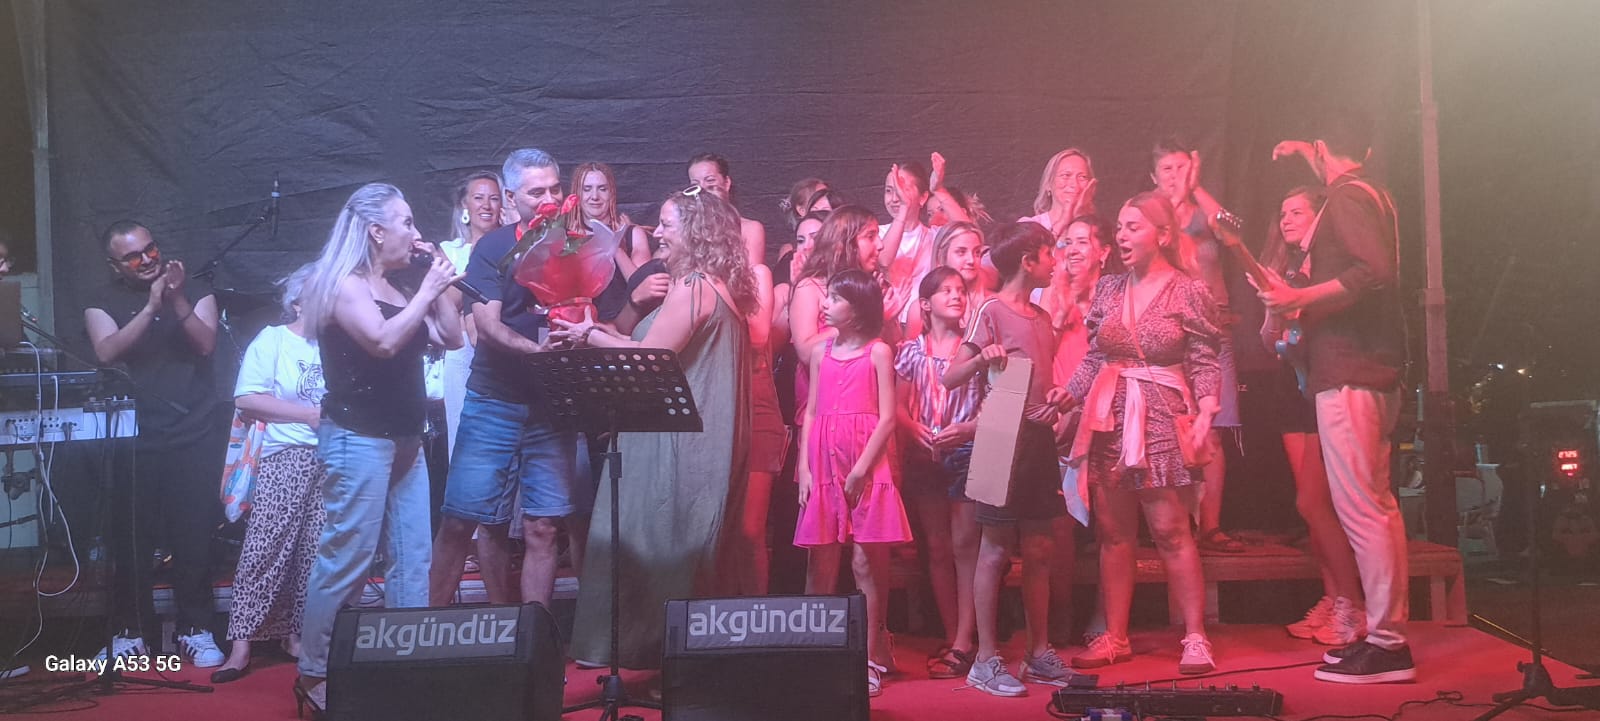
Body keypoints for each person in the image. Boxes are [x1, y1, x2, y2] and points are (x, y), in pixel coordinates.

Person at [554, 187, 756, 670]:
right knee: (679, 546)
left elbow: (651, 357)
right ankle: (674, 657)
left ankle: (661, 655)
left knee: (662, 543)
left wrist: (590, 334)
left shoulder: (696, 285)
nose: (657, 232)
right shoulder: (717, 286)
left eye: (667, 224)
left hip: (677, 444)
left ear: (697, 231)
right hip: (689, 437)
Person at [294, 182, 464, 714]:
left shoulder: (397, 287)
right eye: (406, 222)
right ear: (375, 231)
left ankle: (403, 665)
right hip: (357, 437)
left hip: (407, 436)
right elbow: (384, 342)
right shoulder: (341, 284)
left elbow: (453, 338)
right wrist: (425, 291)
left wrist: (441, 285)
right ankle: (315, 671)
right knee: (348, 557)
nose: (415, 233)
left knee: (413, 558)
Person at [430, 149, 622, 609]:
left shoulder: (577, 241)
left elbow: (600, 313)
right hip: (493, 401)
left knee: (543, 526)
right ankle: (424, 631)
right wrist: (538, 353)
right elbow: (488, 326)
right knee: (461, 521)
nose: (550, 198)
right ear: (512, 197)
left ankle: (535, 635)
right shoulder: (493, 247)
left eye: (555, 188)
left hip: (552, 406)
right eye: (537, 192)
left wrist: (586, 332)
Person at [1261, 117, 1412, 684]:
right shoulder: (1371, 191)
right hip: (1372, 370)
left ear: (1325, 150)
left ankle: (1388, 645)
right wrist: (1307, 148)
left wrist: (1298, 296)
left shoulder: (1346, 198)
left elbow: (1373, 272)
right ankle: (1384, 635)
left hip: (1350, 372)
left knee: (1364, 510)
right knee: (1377, 505)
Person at [1064, 192, 1222, 676]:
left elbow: (1204, 356)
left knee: (1172, 530)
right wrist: (1067, 395)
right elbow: (1095, 355)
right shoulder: (1109, 288)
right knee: (1114, 533)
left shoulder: (1186, 290)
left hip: (1160, 415)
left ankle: (1195, 636)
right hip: (1110, 416)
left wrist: (1207, 406)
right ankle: (1115, 636)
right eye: (1120, 227)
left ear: (1164, 235)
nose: (1122, 235)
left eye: (1133, 226)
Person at [85, 221, 228, 667]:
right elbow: (106, 352)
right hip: (133, 436)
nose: (147, 260)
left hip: (194, 431)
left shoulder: (196, 288)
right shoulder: (101, 300)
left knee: (193, 536)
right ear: (115, 265)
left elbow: (206, 344)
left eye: (150, 250)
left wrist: (176, 298)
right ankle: (131, 632)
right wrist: (151, 306)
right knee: (131, 539)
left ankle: (196, 628)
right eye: (133, 257)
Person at [943, 221, 1075, 696]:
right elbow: (950, 376)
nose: (1055, 262)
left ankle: (1038, 654)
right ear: (1027, 260)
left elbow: (1042, 382)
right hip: (999, 434)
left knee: (1039, 548)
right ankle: (984, 660)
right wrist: (982, 359)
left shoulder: (1042, 317)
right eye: (1049, 253)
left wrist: (1059, 398)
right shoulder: (991, 310)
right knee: (995, 549)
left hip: (1037, 437)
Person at [795, 269, 912, 697]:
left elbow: (887, 417)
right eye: (826, 296)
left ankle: (868, 656)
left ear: (858, 308)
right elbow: (811, 412)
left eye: (835, 298)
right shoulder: (820, 353)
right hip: (824, 463)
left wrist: (863, 468)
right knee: (820, 560)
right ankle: (815, 652)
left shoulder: (879, 352)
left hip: (866, 464)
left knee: (865, 564)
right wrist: (805, 468)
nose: (825, 304)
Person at [1259, 187, 1365, 647]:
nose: (1286, 219)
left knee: (1315, 502)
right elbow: (1270, 341)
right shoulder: (1283, 269)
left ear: (1319, 216)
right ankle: (1334, 596)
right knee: (1313, 508)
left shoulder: (1326, 270)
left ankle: (1353, 604)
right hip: (1291, 388)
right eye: (1282, 212)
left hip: (1324, 384)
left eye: (1297, 211)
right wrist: (1273, 312)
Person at [212, 264, 326, 684]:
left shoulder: (339, 343)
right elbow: (246, 398)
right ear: (297, 302)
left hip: (332, 457)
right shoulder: (273, 340)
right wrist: (307, 415)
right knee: (265, 548)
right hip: (286, 455)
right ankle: (241, 644)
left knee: (315, 552)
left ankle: (297, 637)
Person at [1151, 138, 1245, 554]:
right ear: (1154, 176)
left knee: (1215, 431)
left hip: (1214, 330)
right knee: (1170, 429)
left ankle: (1211, 526)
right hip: (1169, 334)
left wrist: (1197, 189)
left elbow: (1234, 231)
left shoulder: (1206, 214)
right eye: (1167, 169)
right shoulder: (1151, 218)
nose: (1176, 176)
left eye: (1182, 167)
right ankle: (1172, 526)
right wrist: (1172, 204)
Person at [895, 266, 984, 681]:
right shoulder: (911, 350)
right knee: (937, 547)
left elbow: (989, 402)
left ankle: (966, 637)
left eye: (960, 289)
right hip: (925, 453)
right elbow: (898, 405)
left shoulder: (973, 350)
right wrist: (912, 428)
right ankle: (953, 636)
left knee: (966, 545)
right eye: (946, 290)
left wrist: (967, 429)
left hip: (965, 450)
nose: (956, 295)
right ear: (925, 304)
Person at [435, 170, 503, 456]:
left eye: (494, 198)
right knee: (463, 440)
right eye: (478, 198)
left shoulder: (511, 247)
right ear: (465, 205)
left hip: (500, 349)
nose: (486, 205)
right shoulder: (449, 251)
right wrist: (478, 258)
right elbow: (449, 303)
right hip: (462, 353)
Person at [569, 161, 653, 280]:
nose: (595, 196)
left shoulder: (632, 235)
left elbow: (643, 284)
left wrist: (616, 246)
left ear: (611, 193)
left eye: (602, 189)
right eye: (587, 189)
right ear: (577, 194)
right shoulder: (565, 236)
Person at [688, 152, 767, 267]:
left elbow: (753, 272)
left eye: (710, 181)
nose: (702, 188)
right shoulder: (685, 228)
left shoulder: (749, 228)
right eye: (695, 184)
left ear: (726, 183)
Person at [1022, 148, 1098, 237]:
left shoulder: (1098, 230)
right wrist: (1063, 221)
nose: (1074, 184)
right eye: (1066, 175)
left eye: (1082, 177)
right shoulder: (1029, 226)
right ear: (1048, 184)